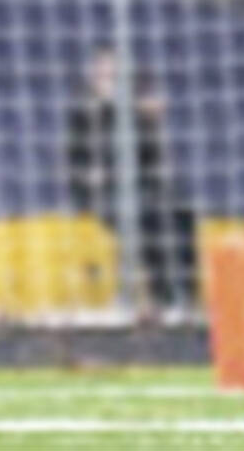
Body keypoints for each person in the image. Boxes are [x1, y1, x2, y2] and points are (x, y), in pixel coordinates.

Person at [65, 44, 194, 310]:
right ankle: (161, 296)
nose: (110, 81)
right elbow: (79, 162)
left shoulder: (136, 114)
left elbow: (150, 158)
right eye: (104, 74)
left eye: (115, 74)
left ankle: (184, 295)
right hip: (104, 194)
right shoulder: (84, 114)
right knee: (147, 219)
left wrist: (149, 121)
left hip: (143, 189)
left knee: (179, 213)